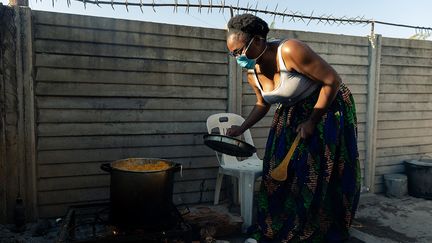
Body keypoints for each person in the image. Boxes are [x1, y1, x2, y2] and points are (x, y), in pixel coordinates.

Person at [225, 14, 361, 243]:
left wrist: (312, 121)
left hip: (327, 105)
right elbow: (262, 104)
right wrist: (242, 127)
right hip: (292, 110)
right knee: (274, 168)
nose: (237, 58)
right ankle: (275, 226)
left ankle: (309, 227)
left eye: (239, 51)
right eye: (232, 54)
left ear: (257, 41)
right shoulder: (252, 73)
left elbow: (332, 80)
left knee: (310, 170)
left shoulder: (290, 51)